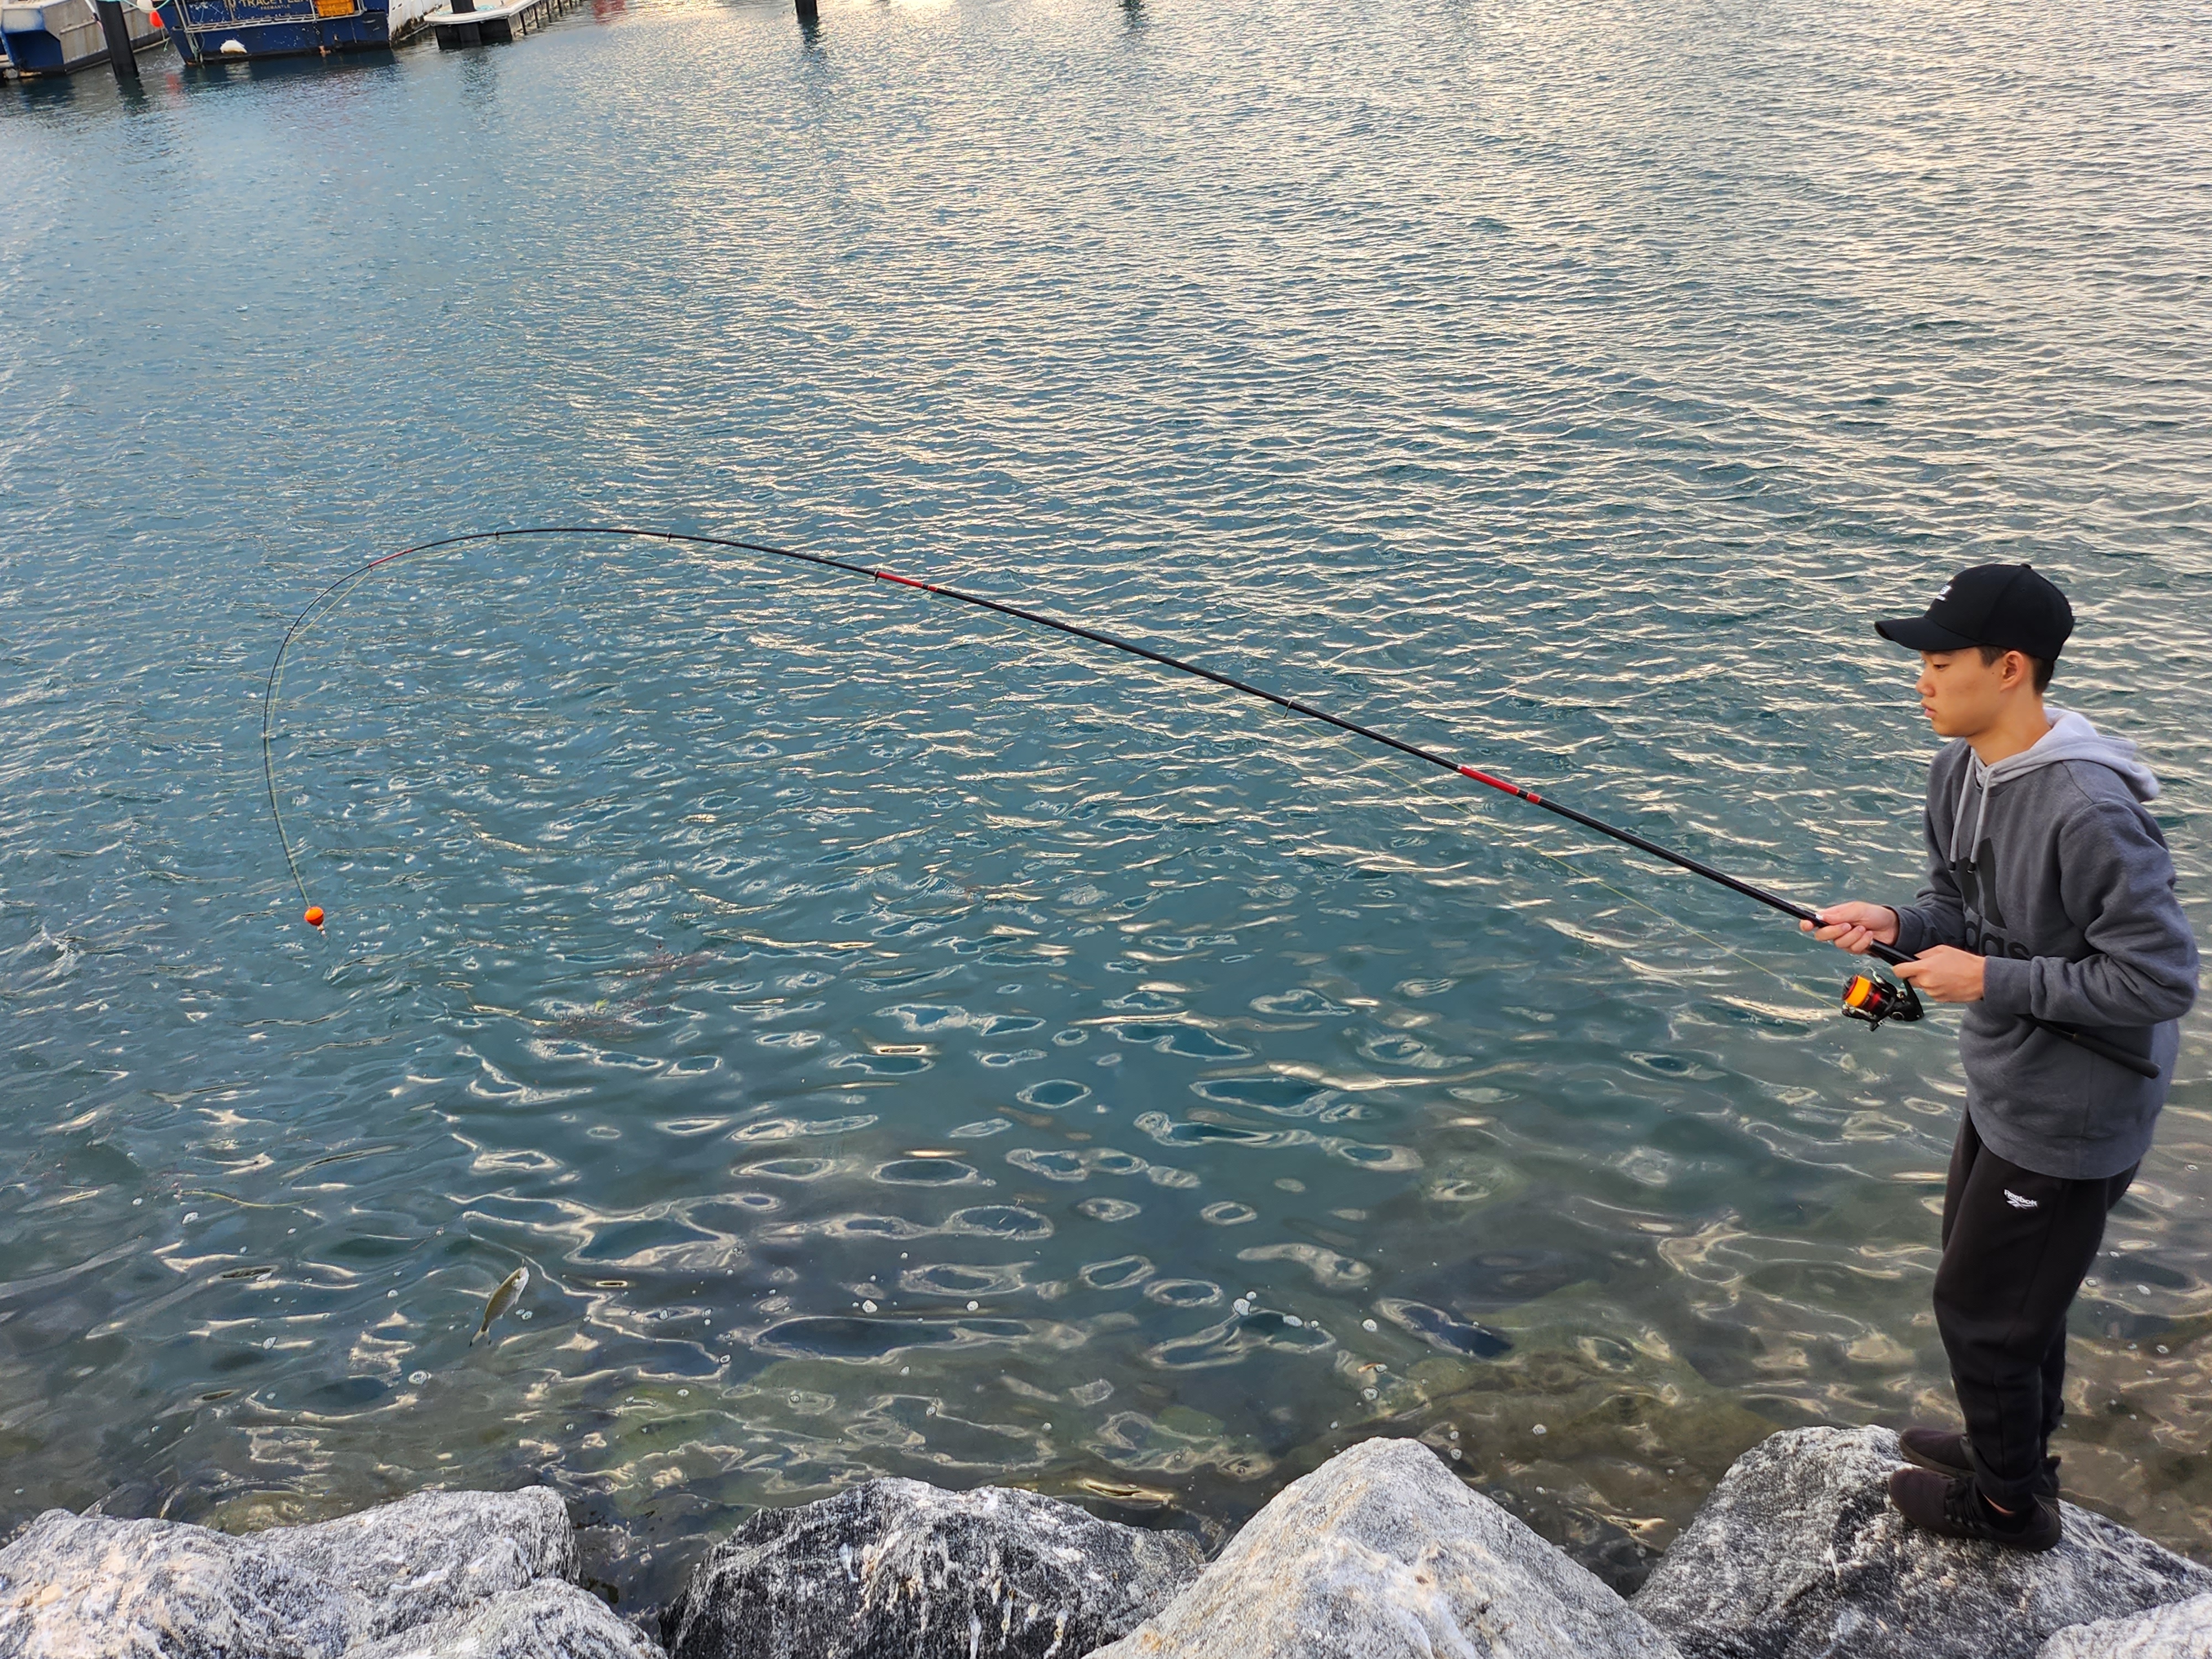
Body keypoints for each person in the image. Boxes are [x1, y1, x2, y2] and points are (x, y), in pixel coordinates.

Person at [1806, 562, 2198, 1551]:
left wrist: (1993, 981)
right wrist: (1896, 923)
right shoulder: (1960, 769)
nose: (1923, 682)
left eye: (1942, 664)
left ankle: (2010, 1506)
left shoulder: (2091, 811)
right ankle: (2010, 1446)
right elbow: (1958, 907)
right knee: (2010, 1299)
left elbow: (2160, 981)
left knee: (1982, 1311)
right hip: (2008, 1083)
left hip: (2077, 1108)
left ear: (2011, 668)